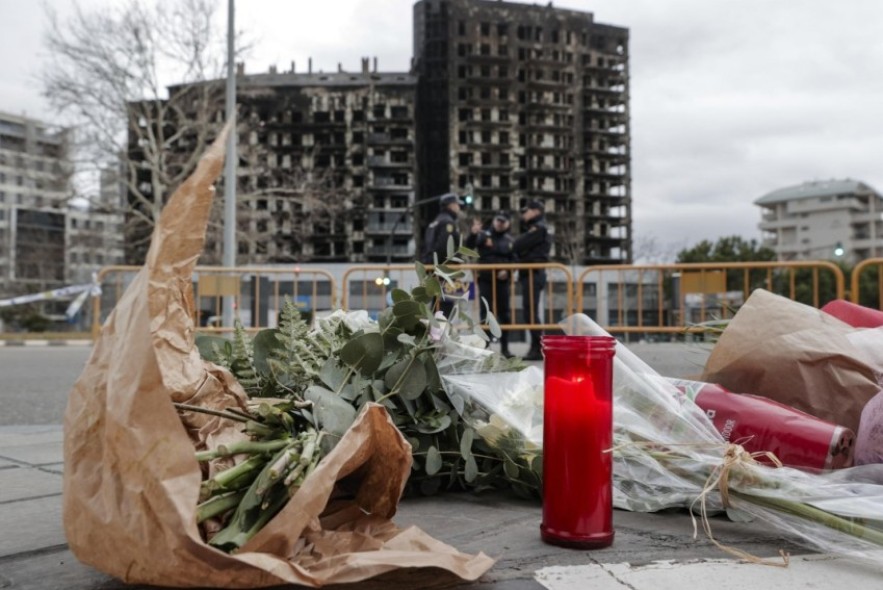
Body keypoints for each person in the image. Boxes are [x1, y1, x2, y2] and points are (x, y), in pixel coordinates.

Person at [466, 210, 515, 357]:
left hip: (502, 281)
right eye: (498, 220)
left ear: (508, 223)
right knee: (485, 313)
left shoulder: (509, 240)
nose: (500, 223)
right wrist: (473, 234)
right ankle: (484, 347)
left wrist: (508, 272)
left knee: (504, 314)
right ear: (494, 221)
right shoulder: (483, 235)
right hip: (486, 280)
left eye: (503, 221)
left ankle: (505, 348)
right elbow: (469, 247)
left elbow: (514, 259)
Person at [513, 199, 551, 361]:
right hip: (529, 273)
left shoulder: (539, 228)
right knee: (530, 312)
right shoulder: (534, 228)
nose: (524, 214)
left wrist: (520, 246)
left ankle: (538, 347)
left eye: (526, 211)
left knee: (531, 312)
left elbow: (517, 244)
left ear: (536, 211)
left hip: (533, 273)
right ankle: (536, 347)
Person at [421, 192, 464, 318]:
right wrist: (445, 268)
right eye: (457, 204)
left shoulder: (435, 222)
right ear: (450, 205)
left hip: (434, 269)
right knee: (444, 306)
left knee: (437, 305)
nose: (459, 207)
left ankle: (434, 335)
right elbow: (445, 248)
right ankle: (438, 336)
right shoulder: (447, 222)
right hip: (445, 271)